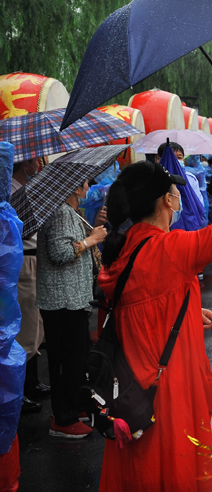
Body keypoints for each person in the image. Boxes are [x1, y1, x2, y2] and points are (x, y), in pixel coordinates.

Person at [96, 134, 212, 492]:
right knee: (171, 468)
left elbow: (140, 309)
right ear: (167, 201)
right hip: (167, 392)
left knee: (138, 472)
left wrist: (185, 310)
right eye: (176, 191)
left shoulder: (124, 251)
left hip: (132, 393)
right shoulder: (169, 248)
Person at [36, 178, 107, 438]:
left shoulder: (71, 211)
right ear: (75, 187)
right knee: (66, 361)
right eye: (85, 183)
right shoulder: (60, 212)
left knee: (77, 358)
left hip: (72, 299)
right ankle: (63, 419)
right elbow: (60, 252)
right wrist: (91, 240)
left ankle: (74, 405)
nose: (88, 188)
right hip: (62, 300)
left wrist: (93, 231)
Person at [11, 159, 46, 415]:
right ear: (24, 166)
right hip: (24, 260)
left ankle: (31, 382)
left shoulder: (23, 189)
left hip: (33, 259)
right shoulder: (12, 193)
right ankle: (19, 391)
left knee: (36, 325)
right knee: (26, 327)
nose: (38, 164)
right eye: (34, 161)